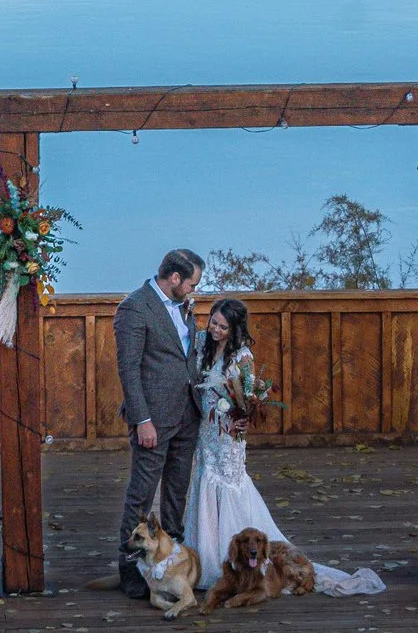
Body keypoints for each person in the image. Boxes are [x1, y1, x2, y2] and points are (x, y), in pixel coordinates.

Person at [181, 297, 383, 596]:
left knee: (228, 484)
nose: (216, 330)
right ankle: (204, 555)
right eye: (213, 322)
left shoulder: (243, 356)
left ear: (235, 329)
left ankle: (234, 560)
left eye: (223, 327)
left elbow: (249, 398)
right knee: (204, 481)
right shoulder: (202, 342)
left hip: (229, 435)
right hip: (205, 431)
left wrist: (244, 417)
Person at [113, 248, 204, 601]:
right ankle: (129, 571)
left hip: (187, 415)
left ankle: (171, 563)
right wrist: (142, 420)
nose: (194, 290)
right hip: (153, 419)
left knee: (176, 492)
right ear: (175, 278)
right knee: (141, 495)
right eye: (192, 283)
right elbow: (129, 370)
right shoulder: (135, 307)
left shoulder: (183, 306)